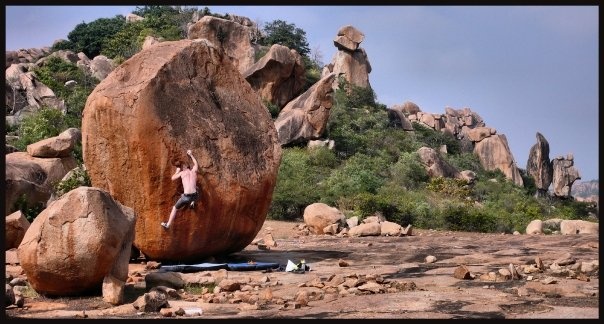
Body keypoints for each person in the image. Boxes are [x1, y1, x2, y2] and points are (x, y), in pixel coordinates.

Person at [161, 149, 199, 229]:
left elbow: (172, 178)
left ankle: (167, 225)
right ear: (189, 167)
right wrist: (191, 155)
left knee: (175, 208)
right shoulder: (194, 171)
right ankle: (192, 202)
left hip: (186, 197)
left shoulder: (182, 173)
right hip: (195, 196)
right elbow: (196, 163)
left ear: (183, 168)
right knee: (197, 188)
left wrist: (177, 171)